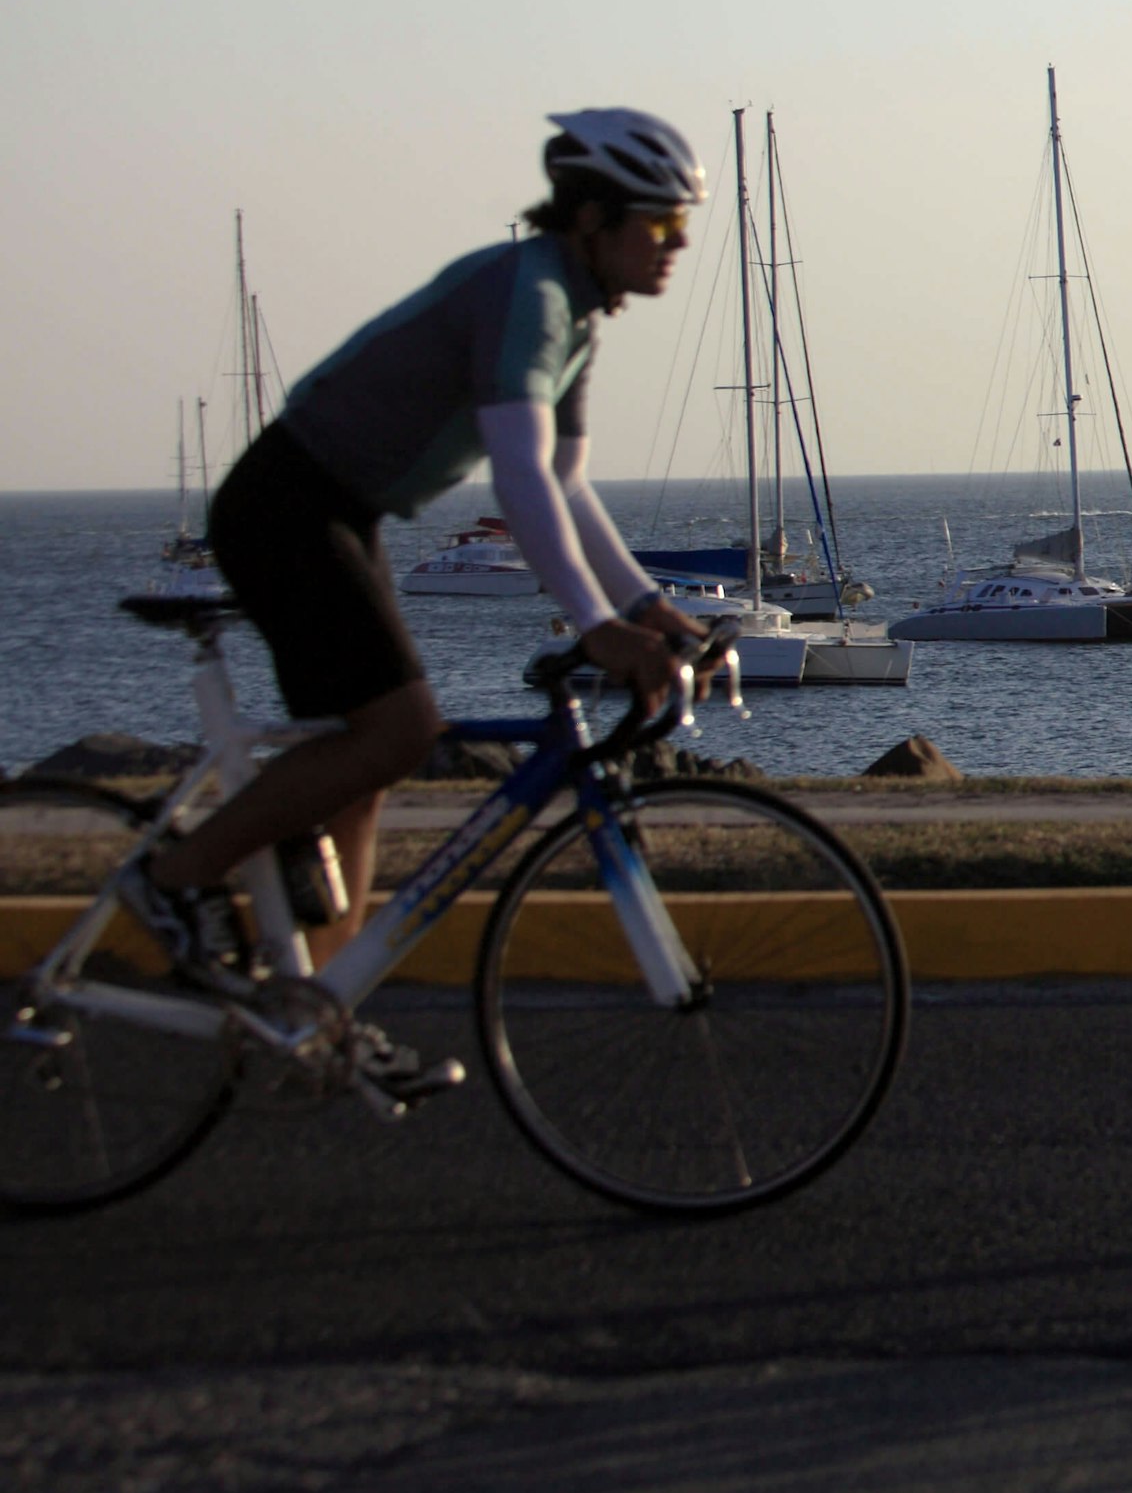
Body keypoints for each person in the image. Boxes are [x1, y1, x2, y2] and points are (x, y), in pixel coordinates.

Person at [120, 111, 715, 1088]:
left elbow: (566, 484)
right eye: (663, 224)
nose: (678, 245)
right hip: (289, 504)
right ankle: (175, 877)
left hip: (342, 512)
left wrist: (651, 606)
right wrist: (601, 627)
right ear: (597, 217)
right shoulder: (529, 293)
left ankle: (319, 1004)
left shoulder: (572, 306)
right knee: (401, 727)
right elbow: (515, 478)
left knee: (370, 759)